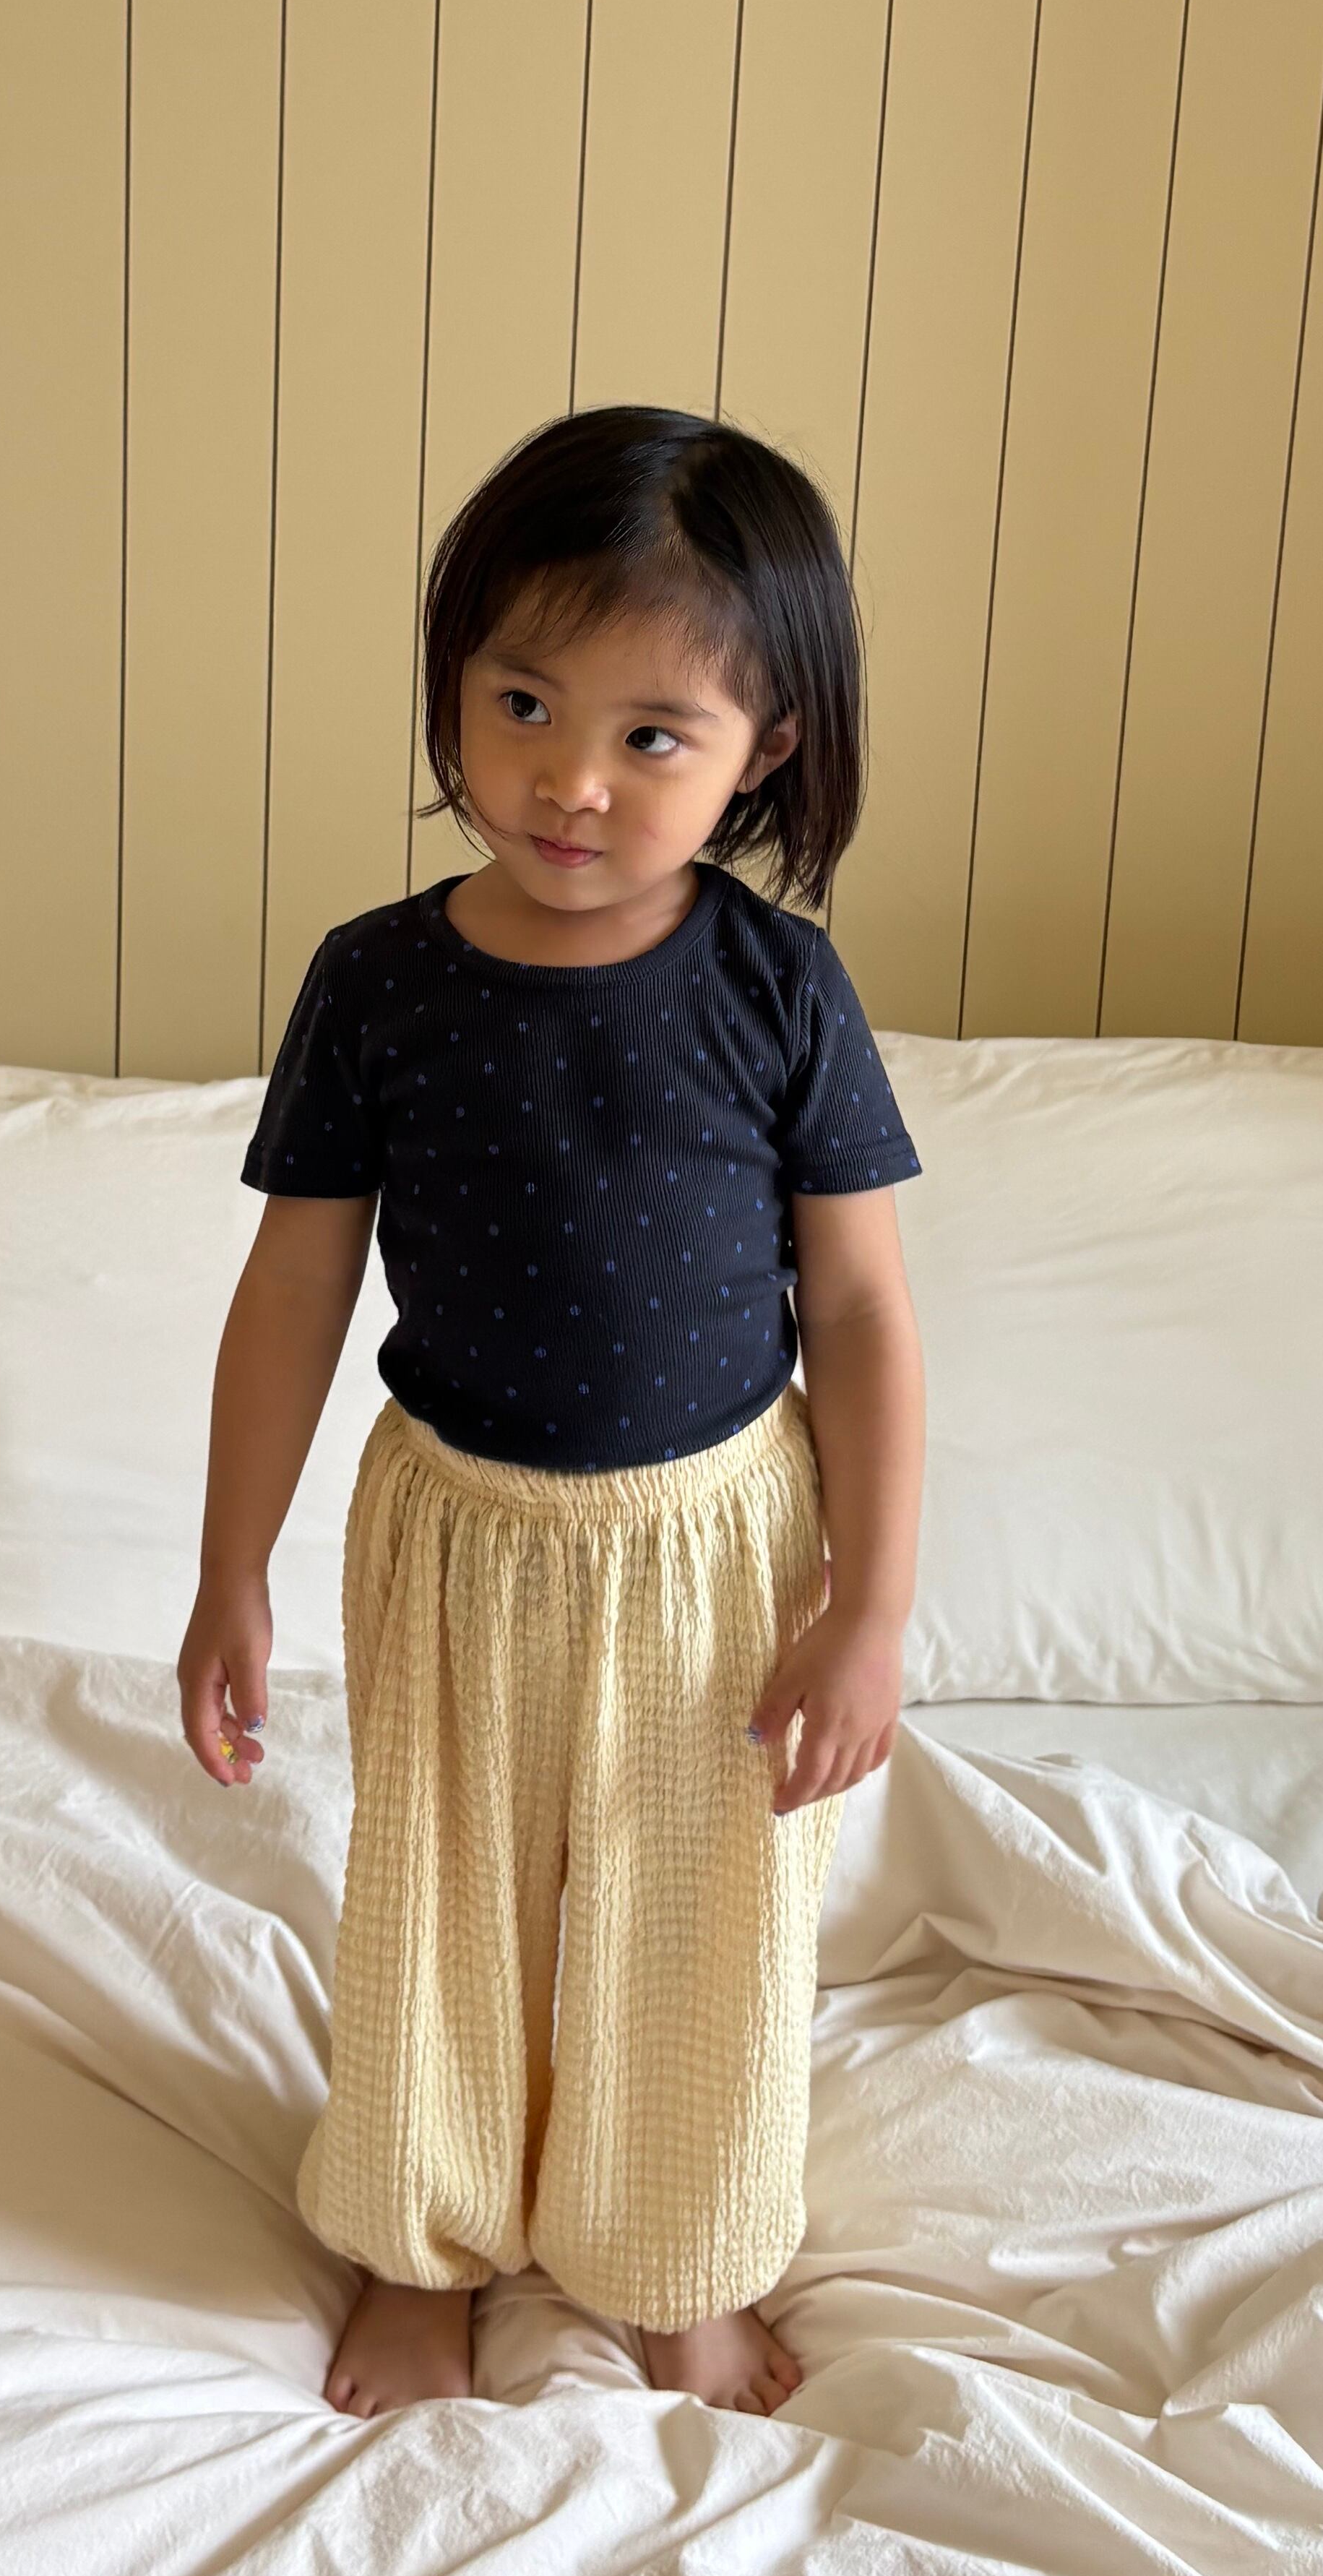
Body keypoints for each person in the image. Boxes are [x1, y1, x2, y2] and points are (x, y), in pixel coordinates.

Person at [177, 405, 926, 2420]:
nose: (569, 779)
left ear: (761, 750)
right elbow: (294, 1290)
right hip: (456, 1536)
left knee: (698, 1914)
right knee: (444, 1906)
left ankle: (673, 2254)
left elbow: (861, 1311)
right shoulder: (379, 983)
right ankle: (417, 2246)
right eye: (521, 703)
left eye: (650, 734)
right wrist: (230, 1569)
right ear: (455, 684)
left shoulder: (780, 989)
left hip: (717, 1551)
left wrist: (868, 1606)